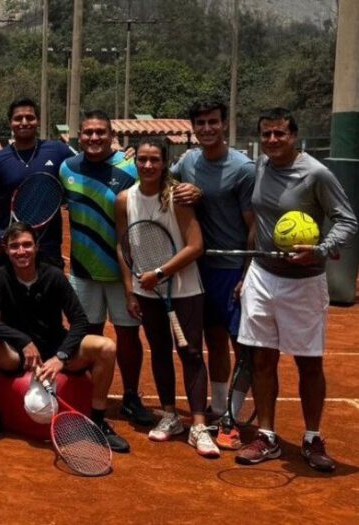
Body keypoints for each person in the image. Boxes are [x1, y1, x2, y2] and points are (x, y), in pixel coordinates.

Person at [235, 108, 357, 471]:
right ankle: (267, 436)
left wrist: (318, 250)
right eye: (266, 134)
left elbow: (347, 219)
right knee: (261, 358)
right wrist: (246, 272)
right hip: (261, 274)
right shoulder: (260, 167)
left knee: (308, 362)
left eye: (280, 134)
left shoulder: (315, 173)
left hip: (303, 282)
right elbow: (257, 225)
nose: (272, 140)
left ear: (294, 136)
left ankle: (312, 437)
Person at [0, 223, 128, 452]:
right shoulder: (1, 277)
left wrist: (61, 356)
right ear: (7, 250)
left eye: (26, 245)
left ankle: (98, 421)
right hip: (17, 354)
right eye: (14, 247)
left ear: (36, 247)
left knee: (106, 347)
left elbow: (80, 320)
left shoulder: (54, 275)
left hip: (56, 348)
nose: (21, 251)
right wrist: (23, 341)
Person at [115, 141, 217, 458]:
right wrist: (131, 288)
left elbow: (196, 245)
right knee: (159, 351)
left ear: (164, 163)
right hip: (146, 291)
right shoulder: (124, 200)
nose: (147, 165)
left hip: (184, 289)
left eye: (154, 160)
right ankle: (171, 415)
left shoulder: (177, 197)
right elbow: (123, 246)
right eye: (142, 159)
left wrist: (160, 273)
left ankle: (198, 424)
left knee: (191, 354)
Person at [170, 100, 257, 449]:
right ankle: (220, 409)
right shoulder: (188, 161)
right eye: (201, 123)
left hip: (233, 267)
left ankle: (232, 417)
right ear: (193, 127)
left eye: (213, 122)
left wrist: (247, 275)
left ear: (224, 124)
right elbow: (163, 177)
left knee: (244, 348)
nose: (207, 129)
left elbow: (254, 228)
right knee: (214, 342)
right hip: (199, 267)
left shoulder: (244, 169)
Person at [58, 110, 151, 426]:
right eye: (88, 133)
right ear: (79, 136)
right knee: (88, 337)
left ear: (112, 135)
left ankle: (130, 397)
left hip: (122, 273)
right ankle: (86, 395)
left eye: (100, 132)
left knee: (128, 336)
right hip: (83, 272)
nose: (94, 138)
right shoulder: (67, 169)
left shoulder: (129, 167)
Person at [0, 98, 74, 268]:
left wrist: (126, 157)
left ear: (38, 120)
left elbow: (88, 165)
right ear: (10, 123)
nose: (24, 122)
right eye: (18, 118)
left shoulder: (59, 151)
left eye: (30, 117)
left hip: (47, 250)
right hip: (9, 249)